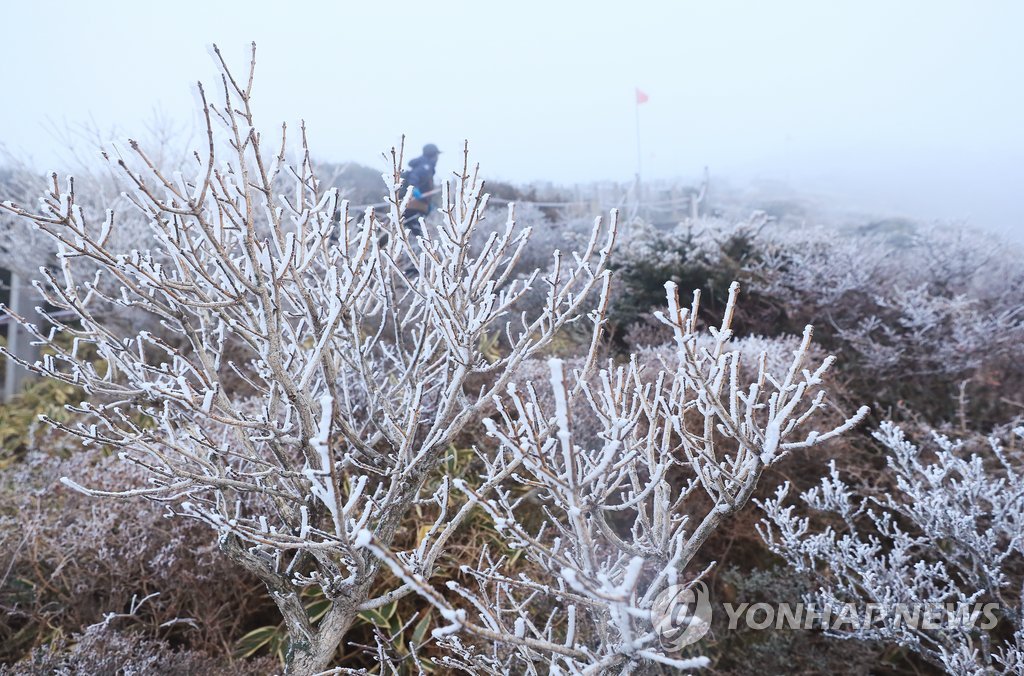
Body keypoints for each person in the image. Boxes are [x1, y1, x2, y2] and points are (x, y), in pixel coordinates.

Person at [401, 143, 441, 236]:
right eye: (436, 155)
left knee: (411, 231)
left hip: (416, 206)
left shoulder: (426, 166)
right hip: (414, 206)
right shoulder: (425, 166)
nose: (437, 158)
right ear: (432, 154)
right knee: (418, 234)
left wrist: (428, 202)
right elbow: (414, 177)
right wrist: (414, 189)